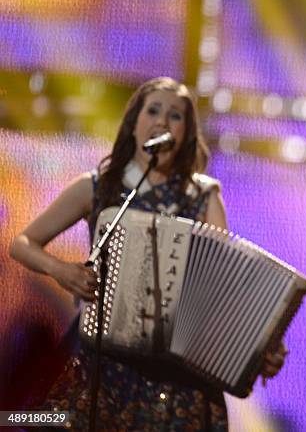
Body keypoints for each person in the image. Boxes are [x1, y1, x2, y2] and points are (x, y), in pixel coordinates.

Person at [10, 77, 286, 431]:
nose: (162, 121)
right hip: (99, 364)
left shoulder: (203, 196)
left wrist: (256, 348)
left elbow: (220, 285)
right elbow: (23, 242)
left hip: (177, 377)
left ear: (187, 133)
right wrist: (62, 270)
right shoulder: (98, 185)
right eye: (152, 110)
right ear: (133, 123)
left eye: (175, 116)